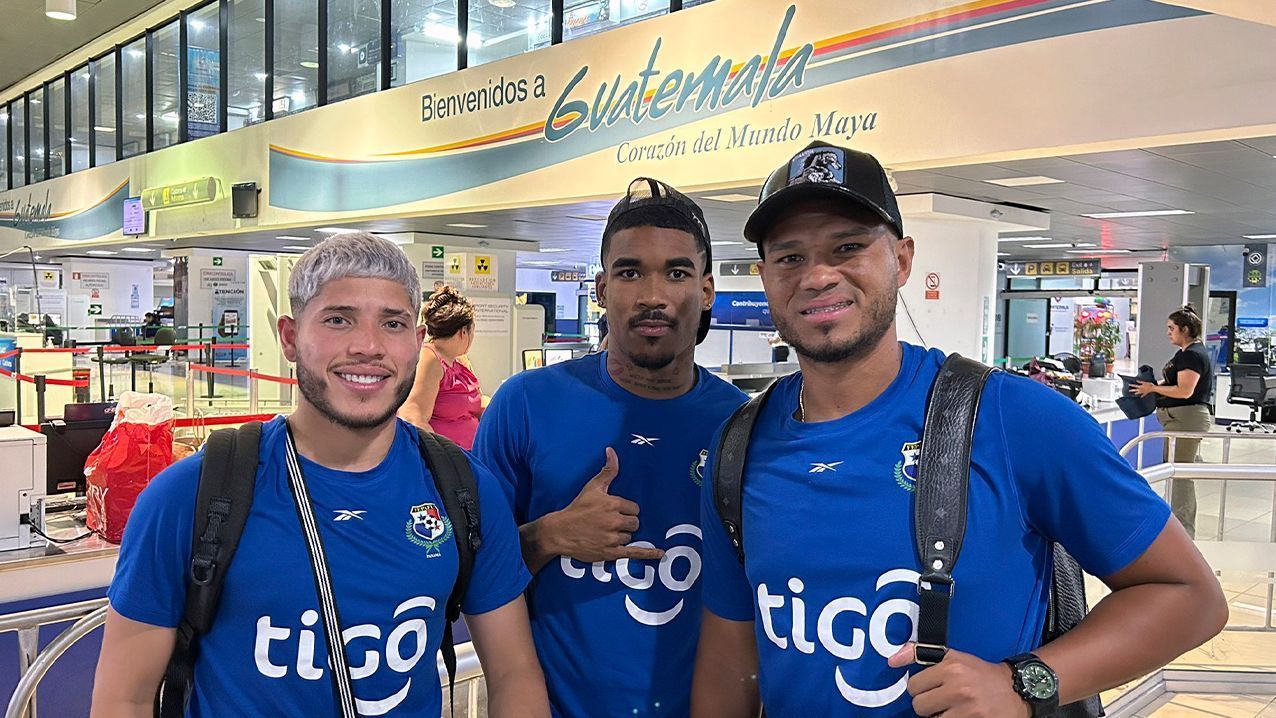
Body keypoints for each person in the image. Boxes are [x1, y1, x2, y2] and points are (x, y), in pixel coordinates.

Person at [690, 142, 1227, 717]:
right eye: (789, 257)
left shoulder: (1013, 418)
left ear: (901, 260)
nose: (818, 276)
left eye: (848, 247)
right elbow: (729, 654)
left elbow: (1188, 596)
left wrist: (1026, 683)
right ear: (765, 275)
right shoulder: (738, 448)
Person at [92, 233, 549, 717]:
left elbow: (513, 671)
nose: (368, 346)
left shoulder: (465, 491)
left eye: (392, 323)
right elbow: (126, 697)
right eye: (338, 319)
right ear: (289, 337)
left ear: (417, 345)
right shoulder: (190, 496)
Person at [474, 178, 747, 718]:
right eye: (630, 272)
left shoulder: (742, 425)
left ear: (707, 290)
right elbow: (466, 571)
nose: (653, 296)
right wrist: (549, 535)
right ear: (600, 289)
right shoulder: (526, 404)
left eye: (677, 272)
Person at [1131, 304, 1214, 538]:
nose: (1168, 332)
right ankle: (1178, 525)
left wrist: (1153, 387)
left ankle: (1185, 531)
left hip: (1186, 418)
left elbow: (1185, 391)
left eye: (1171, 328)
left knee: (1181, 477)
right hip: (1176, 419)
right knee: (1175, 473)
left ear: (1185, 329)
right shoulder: (1185, 354)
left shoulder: (1192, 355)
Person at [400, 285, 484, 450]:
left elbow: (475, 402)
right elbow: (412, 417)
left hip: (471, 456)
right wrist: (444, 459)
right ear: (463, 332)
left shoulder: (460, 361)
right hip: (449, 464)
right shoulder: (429, 358)